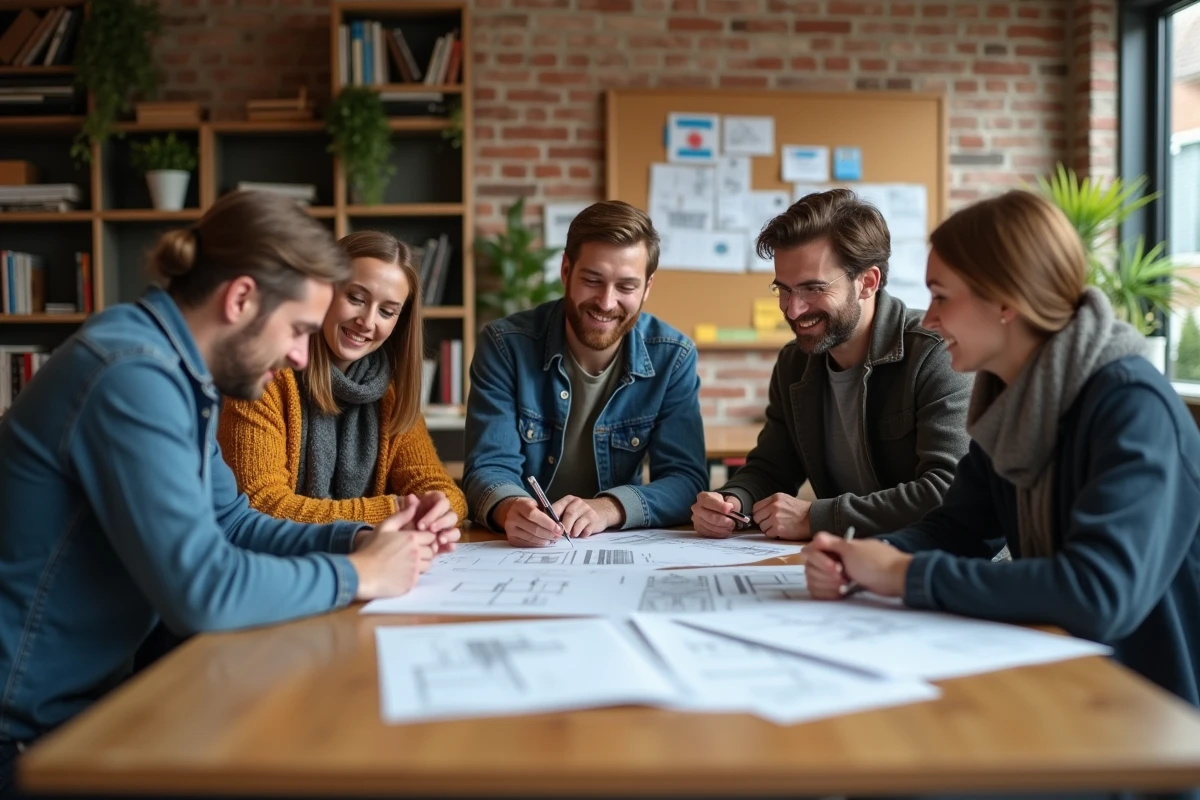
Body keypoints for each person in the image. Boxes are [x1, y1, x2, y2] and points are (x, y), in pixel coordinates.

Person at [0, 192, 457, 795]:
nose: (301, 353)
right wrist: (358, 574)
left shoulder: (178, 373)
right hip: (31, 733)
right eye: (297, 328)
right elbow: (203, 591)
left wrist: (360, 536)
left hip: (97, 703)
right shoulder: (131, 374)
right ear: (241, 299)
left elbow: (236, 521)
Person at [805, 189, 1200, 709]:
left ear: (1007, 301)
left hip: (1148, 714)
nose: (929, 319)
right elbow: (960, 528)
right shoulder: (1013, 399)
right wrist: (864, 559)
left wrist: (903, 574)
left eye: (942, 296)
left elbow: (1099, 593)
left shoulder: (1131, 406)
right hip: (1066, 678)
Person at [691, 188, 972, 541]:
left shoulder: (936, 354)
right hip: (852, 566)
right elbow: (772, 468)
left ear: (867, 283)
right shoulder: (795, 363)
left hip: (945, 566)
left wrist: (819, 517)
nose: (793, 310)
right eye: (784, 290)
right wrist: (733, 502)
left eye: (813, 289)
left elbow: (949, 491)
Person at [463, 200, 707, 546]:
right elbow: (488, 466)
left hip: (616, 546)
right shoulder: (506, 346)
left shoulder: (673, 356)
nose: (606, 302)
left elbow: (686, 480)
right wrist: (509, 507)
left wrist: (608, 509)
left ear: (647, 288)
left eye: (626, 287)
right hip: (525, 549)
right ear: (566, 271)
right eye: (593, 280)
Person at [218, 229, 466, 528]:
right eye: (356, 297)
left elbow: (442, 490)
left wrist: (438, 509)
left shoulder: (390, 393)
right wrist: (395, 510)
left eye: (387, 311)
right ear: (324, 291)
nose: (367, 321)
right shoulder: (265, 375)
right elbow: (259, 503)